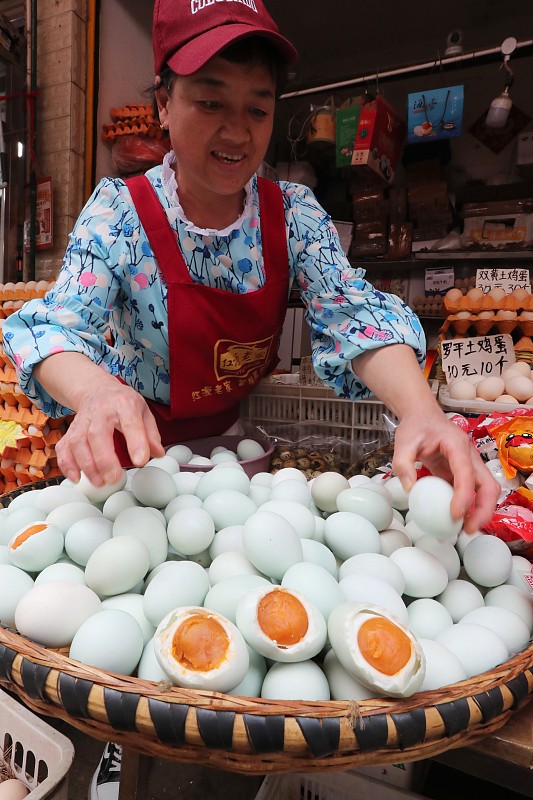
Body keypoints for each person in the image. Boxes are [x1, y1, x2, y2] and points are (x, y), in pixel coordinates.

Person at [3, 1, 499, 797]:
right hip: (125, 470)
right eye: (209, 101)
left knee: (233, 697)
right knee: (126, 691)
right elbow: (54, 327)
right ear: (163, 104)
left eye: (256, 108)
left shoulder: (290, 216)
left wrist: (420, 411)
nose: (235, 131)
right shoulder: (119, 214)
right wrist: (94, 392)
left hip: (231, 471)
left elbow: (353, 313)